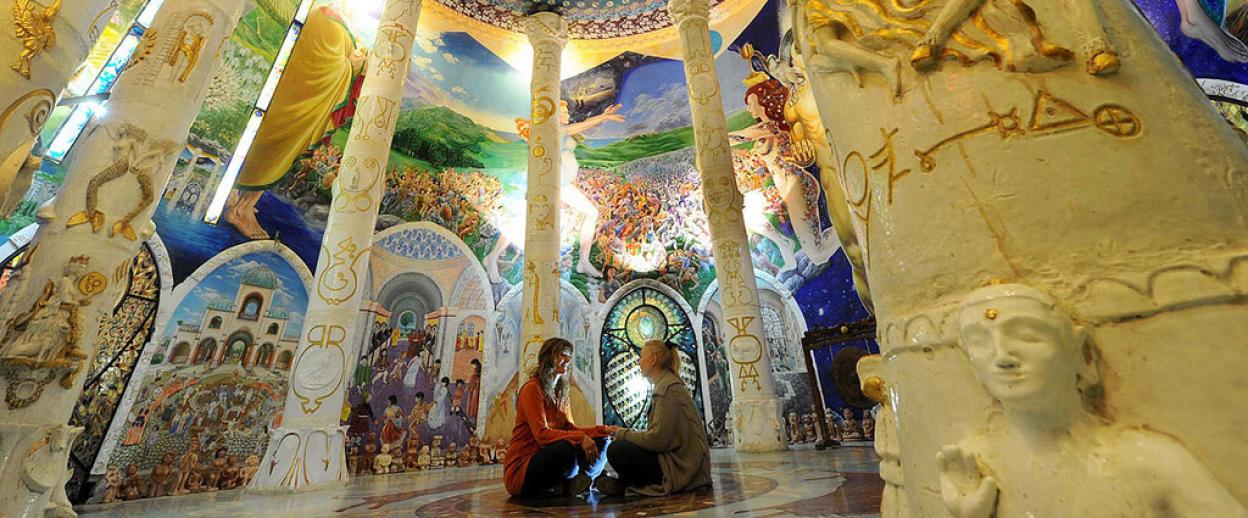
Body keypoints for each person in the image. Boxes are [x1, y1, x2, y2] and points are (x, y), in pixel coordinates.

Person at [598, 340, 712, 496]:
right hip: (679, 461)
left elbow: (658, 440)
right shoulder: (667, 384)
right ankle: (623, 483)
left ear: (653, 359)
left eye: (642, 356)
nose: (639, 362)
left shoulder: (667, 389)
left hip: (681, 469)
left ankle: (627, 483)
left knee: (617, 450)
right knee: (624, 445)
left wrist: (622, 433)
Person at [504, 338, 610, 497]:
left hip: (550, 460)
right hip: (523, 470)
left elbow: (571, 429)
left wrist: (605, 430)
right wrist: (581, 437)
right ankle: (588, 481)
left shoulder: (562, 392)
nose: (568, 360)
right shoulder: (532, 389)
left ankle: (581, 480)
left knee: (602, 439)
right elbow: (541, 435)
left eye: (570, 356)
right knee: (566, 447)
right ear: (548, 357)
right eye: (563, 354)